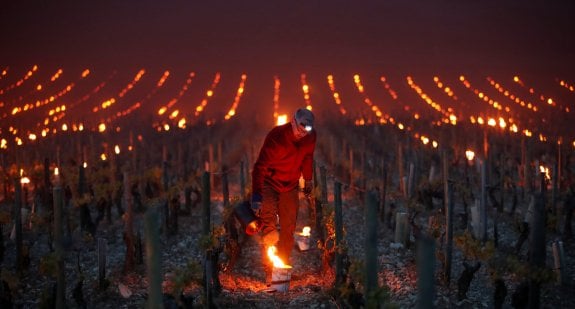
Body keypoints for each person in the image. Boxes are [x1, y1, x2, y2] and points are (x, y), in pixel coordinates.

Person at [251, 108, 316, 267]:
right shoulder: (276, 137)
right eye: (299, 130)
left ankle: (282, 266)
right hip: (270, 183)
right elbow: (260, 167)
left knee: (288, 227)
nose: (301, 134)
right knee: (269, 225)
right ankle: (269, 267)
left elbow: (307, 157)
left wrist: (308, 179)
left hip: (291, 184)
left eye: (305, 132)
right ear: (292, 122)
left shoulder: (310, 137)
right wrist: (257, 196)